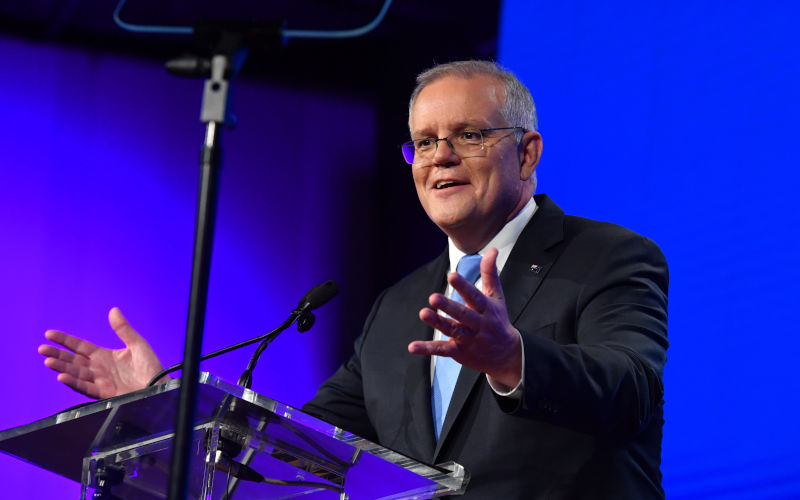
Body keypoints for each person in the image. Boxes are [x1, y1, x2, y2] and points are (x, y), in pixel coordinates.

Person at [39, 60, 669, 499]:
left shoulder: (609, 257)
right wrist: (164, 400)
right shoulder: (399, 306)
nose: (439, 156)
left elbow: (632, 390)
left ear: (527, 152)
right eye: (422, 142)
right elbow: (292, 443)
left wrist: (513, 358)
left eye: (467, 135)